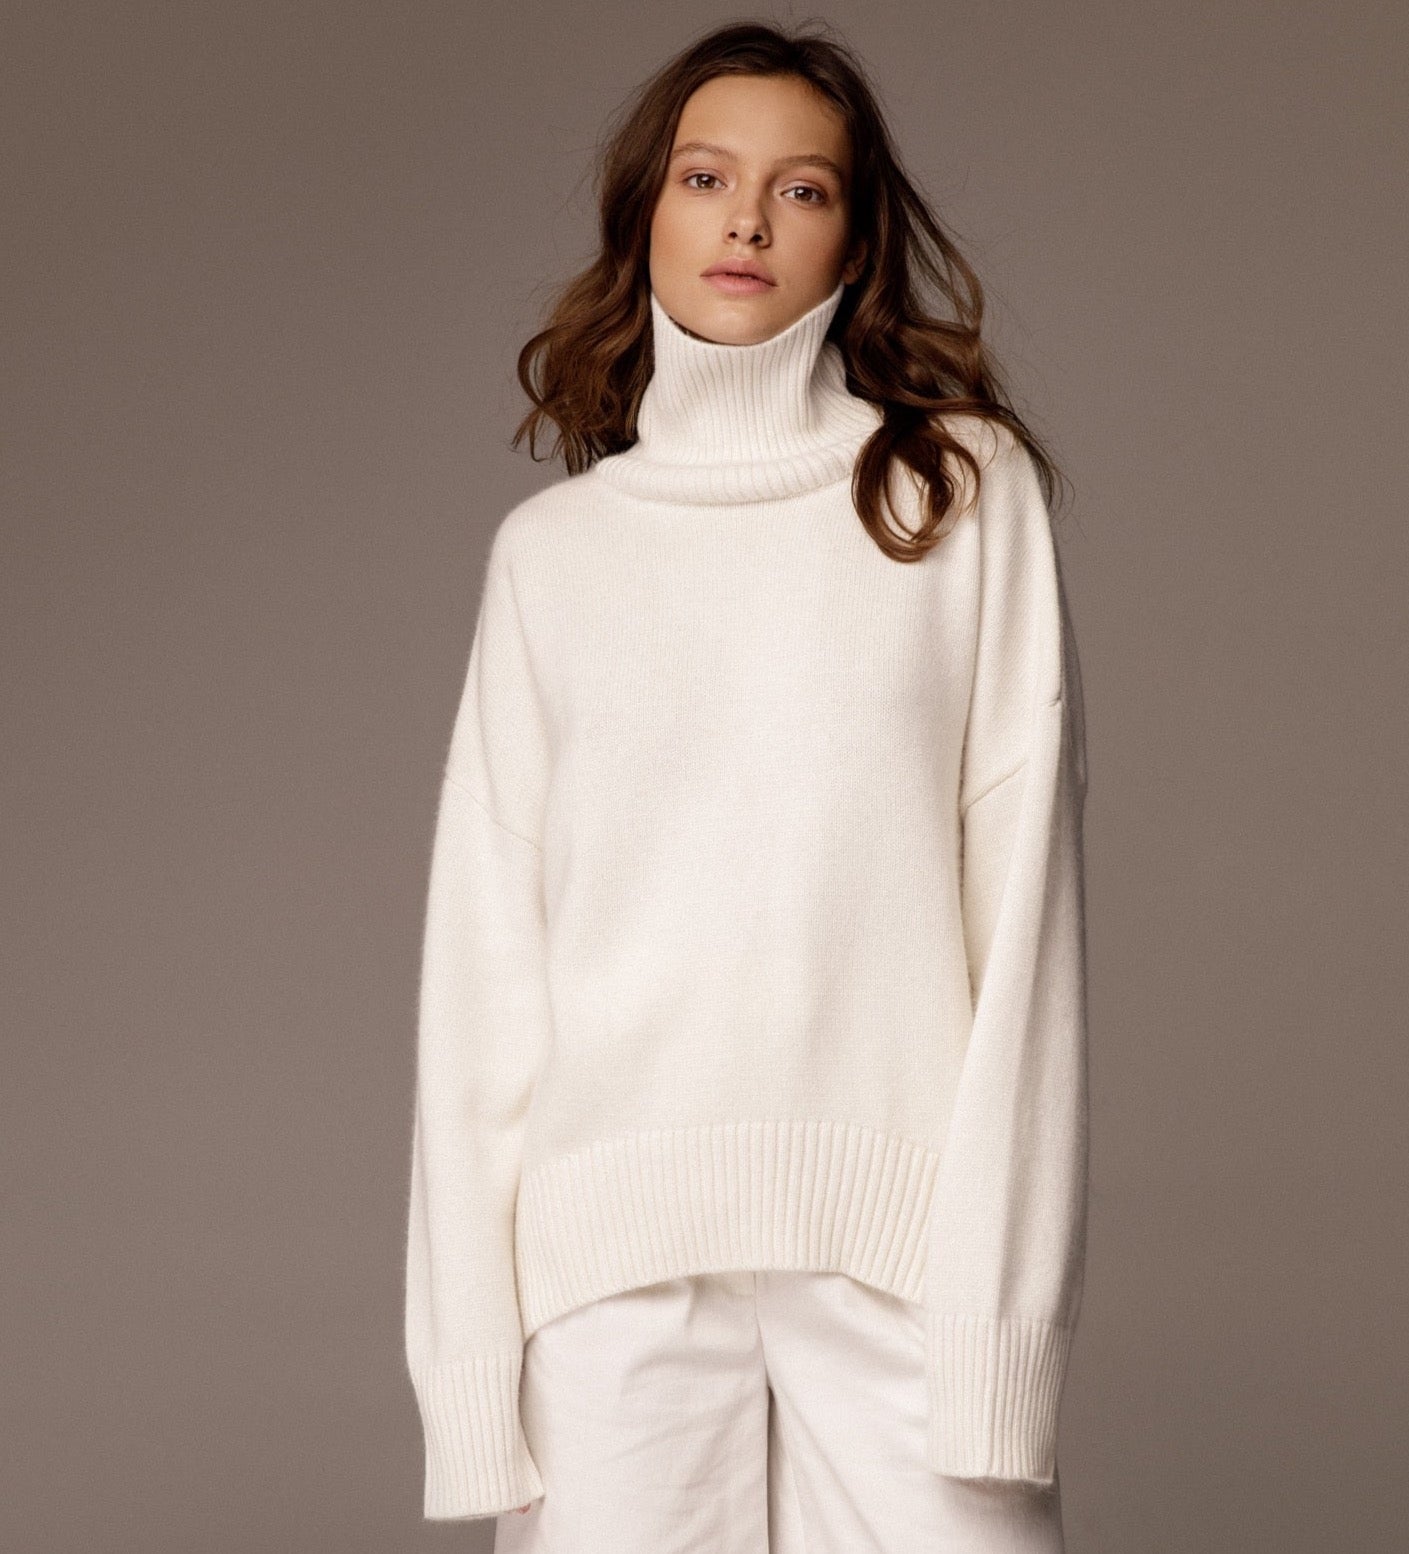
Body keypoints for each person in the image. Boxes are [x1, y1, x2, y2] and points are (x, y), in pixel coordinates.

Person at [403, 20, 1090, 1553]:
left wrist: (1001, 1324)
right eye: (707, 177)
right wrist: (469, 1377)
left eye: (803, 188)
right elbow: (484, 978)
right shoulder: (554, 558)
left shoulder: (954, 496)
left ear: (855, 237)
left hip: (904, 1255)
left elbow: (1024, 930)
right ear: (644, 209)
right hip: (604, 1273)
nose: (749, 222)